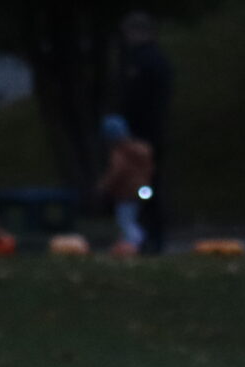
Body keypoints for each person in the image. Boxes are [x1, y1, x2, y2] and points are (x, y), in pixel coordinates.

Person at [119, 11, 172, 254]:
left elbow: (139, 100)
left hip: (143, 134)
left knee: (144, 186)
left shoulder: (143, 62)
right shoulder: (155, 60)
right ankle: (148, 235)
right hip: (151, 132)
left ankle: (150, 236)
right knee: (146, 184)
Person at [97, 115, 154, 256]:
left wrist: (104, 186)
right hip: (140, 190)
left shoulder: (120, 153)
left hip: (125, 192)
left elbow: (117, 172)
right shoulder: (142, 150)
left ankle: (134, 244)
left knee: (125, 221)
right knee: (131, 218)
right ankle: (134, 244)